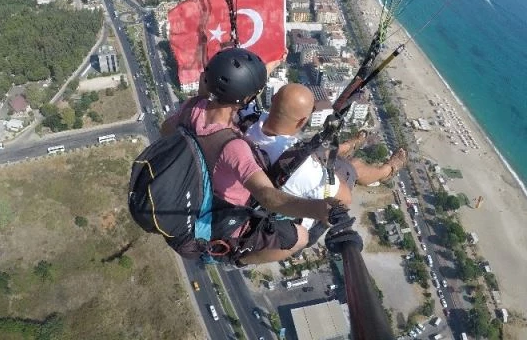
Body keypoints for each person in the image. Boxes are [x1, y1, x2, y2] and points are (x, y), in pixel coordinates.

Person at [160, 48, 340, 265]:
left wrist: (202, 93)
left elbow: (166, 130)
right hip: (225, 222)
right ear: (245, 99)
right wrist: (319, 209)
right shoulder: (234, 147)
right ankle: (238, 260)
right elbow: (267, 196)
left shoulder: (192, 109)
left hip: (192, 194)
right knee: (301, 237)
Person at [245, 83, 407, 236]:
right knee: (354, 166)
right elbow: (345, 199)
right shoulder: (303, 169)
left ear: (273, 100)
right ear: (303, 120)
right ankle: (386, 171)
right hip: (297, 216)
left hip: (276, 172)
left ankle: (349, 145)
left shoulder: (248, 120)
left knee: (325, 151)